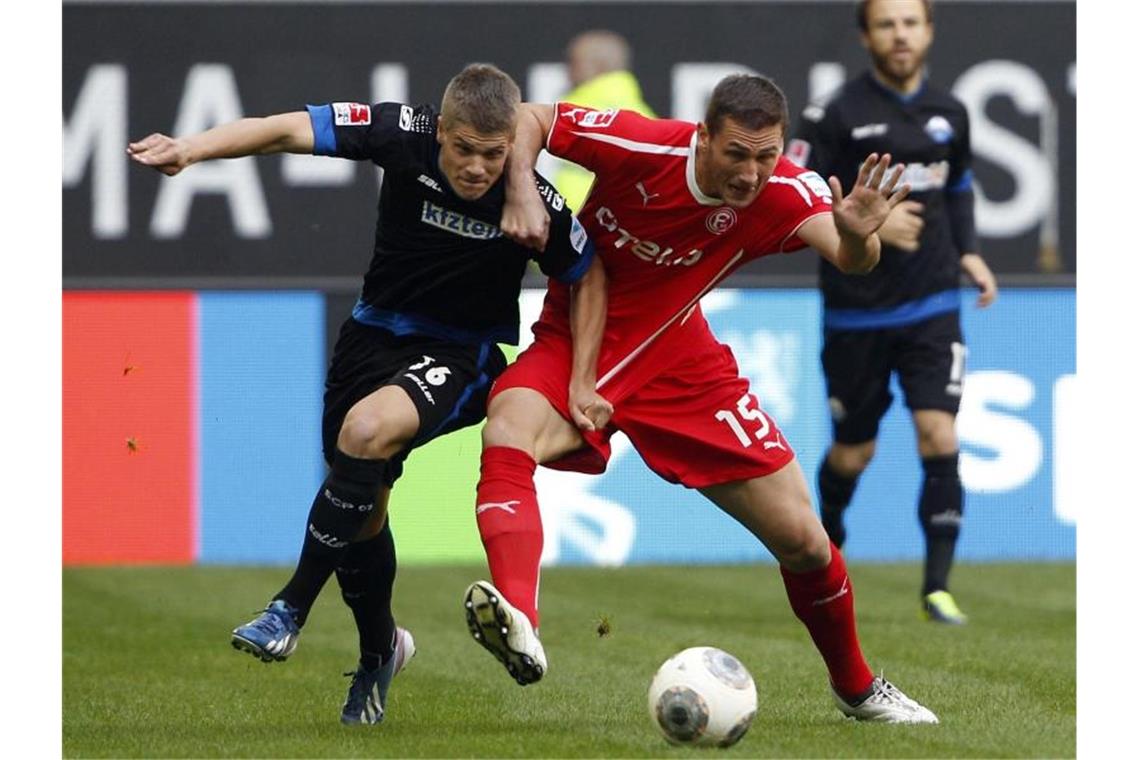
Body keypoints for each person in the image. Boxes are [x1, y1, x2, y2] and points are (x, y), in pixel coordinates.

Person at [127, 63, 607, 725]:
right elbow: (283, 130)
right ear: (440, 129)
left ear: (511, 149)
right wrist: (190, 150)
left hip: (459, 353)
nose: (474, 167)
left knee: (365, 433)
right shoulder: (398, 134)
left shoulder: (536, 204)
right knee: (361, 508)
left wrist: (582, 378)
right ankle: (381, 648)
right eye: (462, 149)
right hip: (370, 336)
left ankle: (288, 608)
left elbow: (589, 273)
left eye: (492, 155)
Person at [461, 73, 940, 723]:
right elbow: (527, 117)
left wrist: (856, 233)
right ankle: (520, 616)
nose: (751, 173)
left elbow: (853, 257)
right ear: (703, 136)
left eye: (765, 156)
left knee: (804, 539)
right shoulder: (641, 145)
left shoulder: (782, 192)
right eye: (737, 154)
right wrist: (520, 185)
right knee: (508, 425)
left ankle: (856, 688)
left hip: (683, 368)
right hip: (577, 340)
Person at [785, 0, 998, 625]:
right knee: (854, 451)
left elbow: (957, 189)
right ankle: (827, 542)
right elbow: (791, 194)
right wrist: (862, 224)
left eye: (910, 22)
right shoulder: (834, 115)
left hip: (933, 305)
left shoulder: (951, 112)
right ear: (866, 36)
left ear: (928, 31)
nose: (900, 34)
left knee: (939, 431)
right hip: (858, 312)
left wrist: (971, 255)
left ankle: (937, 588)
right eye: (886, 24)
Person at [554, 29, 657, 211]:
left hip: (579, 220)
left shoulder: (573, 111)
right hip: (618, 227)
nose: (567, 72)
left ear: (599, 66)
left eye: (574, 63)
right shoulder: (646, 116)